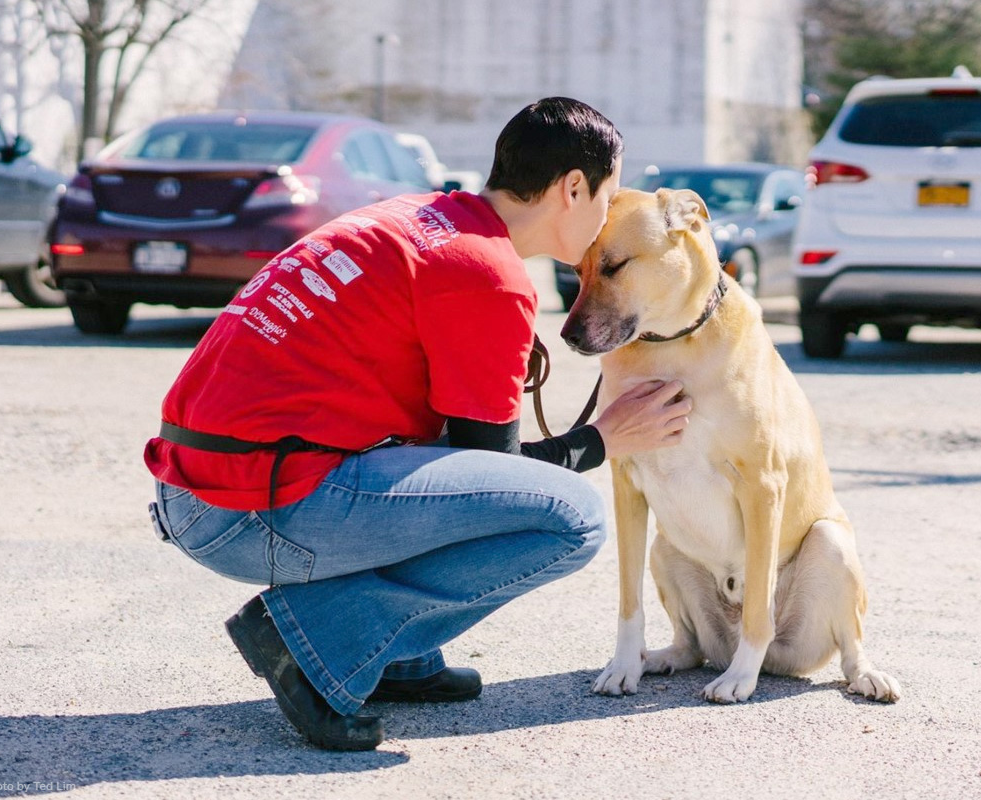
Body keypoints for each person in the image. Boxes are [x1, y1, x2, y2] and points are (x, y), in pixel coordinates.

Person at [144, 97, 692, 751]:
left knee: (456, 477)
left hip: (200, 485)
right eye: (608, 195)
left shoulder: (419, 220)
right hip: (246, 509)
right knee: (572, 518)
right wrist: (603, 439)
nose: (608, 218)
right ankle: (316, 642)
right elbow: (497, 479)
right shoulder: (484, 273)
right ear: (574, 187)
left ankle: (397, 657)